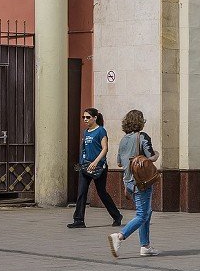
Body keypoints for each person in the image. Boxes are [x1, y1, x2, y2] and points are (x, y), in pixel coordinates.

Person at [108, 109, 159, 258]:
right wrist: (157, 154)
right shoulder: (142, 137)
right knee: (142, 215)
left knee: (146, 213)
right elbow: (151, 158)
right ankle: (120, 236)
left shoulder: (123, 140)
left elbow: (119, 163)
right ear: (140, 122)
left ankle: (145, 246)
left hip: (128, 181)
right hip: (141, 182)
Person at [68, 108, 123, 229]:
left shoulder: (101, 131)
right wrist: (82, 163)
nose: (85, 120)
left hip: (98, 167)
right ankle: (78, 220)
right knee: (81, 192)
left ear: (95, 118)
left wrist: (96, 162)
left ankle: (117, 216)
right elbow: (84, 149)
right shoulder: (86, 132)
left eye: (88, 117)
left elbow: (105, 148)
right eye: (84, 117)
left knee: (101, 192)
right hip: (86, 166)